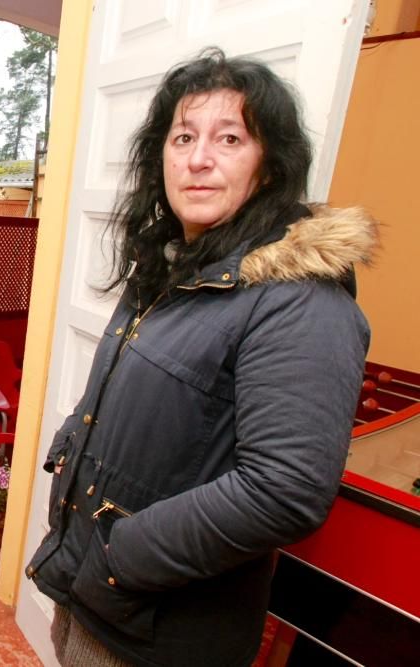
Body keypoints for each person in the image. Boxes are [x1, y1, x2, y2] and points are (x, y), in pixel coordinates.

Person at [26, 48, 377, 666]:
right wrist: (69, 446)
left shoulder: (301, 304)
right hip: (92, 593)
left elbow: (285, 488)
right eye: (182, 136)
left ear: (268, 167)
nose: (197, 158)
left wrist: (121, 553)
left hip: (156, 629)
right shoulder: (172, 269)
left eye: (230, 138)